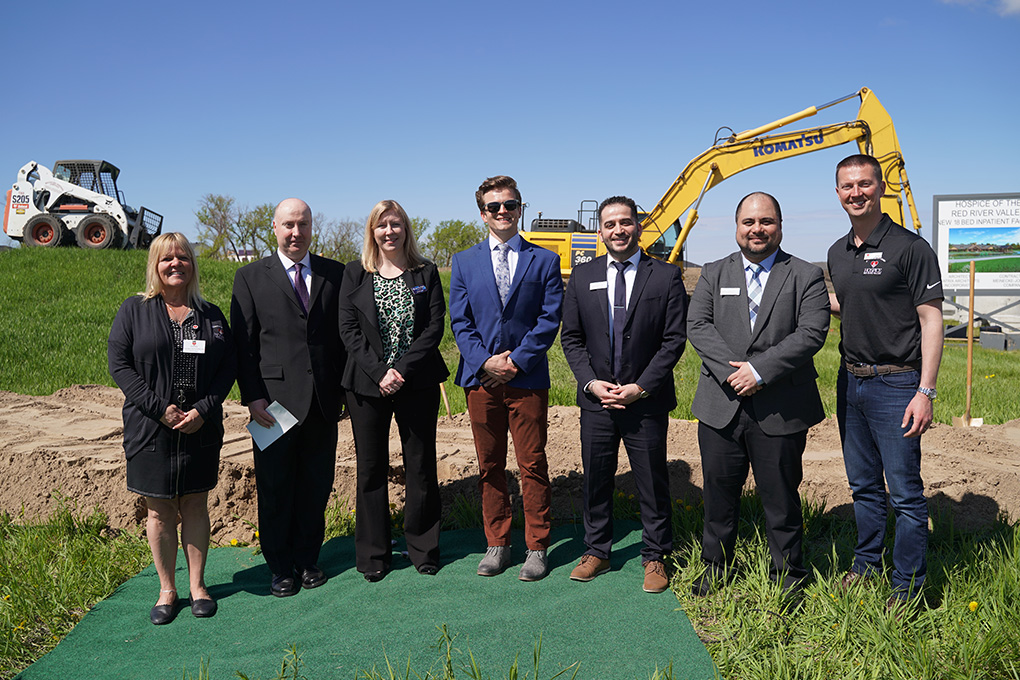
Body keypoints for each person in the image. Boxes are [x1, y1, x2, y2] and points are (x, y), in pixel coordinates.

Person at [687, 192, 830, 597]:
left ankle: (788, 576)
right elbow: (698, 326)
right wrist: (736, 374)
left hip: (781, 406)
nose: (757, 229)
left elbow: (812, 332)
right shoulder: (713, 273)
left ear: (780, 227)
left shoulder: (805, 275)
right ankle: (715, 567)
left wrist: (760, 371)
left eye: (766, 221)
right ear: (736, 227)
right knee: (718, 495)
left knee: (781, 497)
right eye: (748, 222)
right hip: (721, 406)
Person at [827, 154, 943, 611]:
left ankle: (907, 587)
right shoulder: (838, 252)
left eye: (864, 184)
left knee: (906, 494)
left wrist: (925, 390)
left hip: (897, 385)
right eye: (847, 186)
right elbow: (851, 303)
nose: (856, 192)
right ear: (837, 193)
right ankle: (865, 565)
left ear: (881, 188)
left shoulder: (910, 248)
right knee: (863, 486)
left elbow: (931, 321)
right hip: (850, 382)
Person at [560, 196, 688, 593]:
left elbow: (673, 340)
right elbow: (572, 338)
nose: (618, 230)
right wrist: (591, 384)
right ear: (600, 231)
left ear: (638, 226)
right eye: (610, 224)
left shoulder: (665, 276)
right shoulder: (582, 277)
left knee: (652, 479)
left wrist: (640, 387)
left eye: (626, 222)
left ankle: (655, 555)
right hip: (597, 400)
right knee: (596, 478)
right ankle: (597, 550)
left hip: (645, 401)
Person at [108, 232, 236, 625]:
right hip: (151, 429)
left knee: (196, 502)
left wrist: (202, 410)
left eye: (183, 257)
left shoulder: (210, 315)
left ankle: (198, 586)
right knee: (160, 511)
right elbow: (119, 365)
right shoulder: (135, 310)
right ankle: (168, 589)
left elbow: (227, 369)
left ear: (192, 265)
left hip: (200, 428)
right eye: (167, 259)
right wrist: (158, 408)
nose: (175, 264)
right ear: (155, 266)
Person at [449, 175, 563, 581]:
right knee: (489, 464)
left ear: (520, 208)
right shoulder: (463, 261)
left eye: (509, 205)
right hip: (481, 380)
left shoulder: (545, 260)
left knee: (532, 463)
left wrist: (515, 361)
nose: (502, 212)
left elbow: (549, 319)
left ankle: (536, 547)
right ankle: (497, 543)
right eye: (494, 207)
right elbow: (461, 323)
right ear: (483, 213)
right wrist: (485, 363)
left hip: (527, 378)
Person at [230, 198, 346, 597]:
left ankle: (307, 559)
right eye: (289, 225)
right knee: (276, 486)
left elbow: (342, 339)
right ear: (274, 228)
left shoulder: (335, 273)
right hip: (272, 405)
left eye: (304, 224)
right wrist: (252, 398)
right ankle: (279, 567)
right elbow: (243, 345)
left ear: (312, 227)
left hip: (323, 401)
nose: (296, 232)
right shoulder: (249, 277)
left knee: (316, 483)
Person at [338, 200, 448, 582]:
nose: (389, 231)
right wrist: (380, 371)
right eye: (382, 225)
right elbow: (348, 330)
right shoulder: (355, 273)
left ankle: (423, 549)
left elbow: (434, 327)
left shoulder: (425, 272)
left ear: (406, 230)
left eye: (396, 224)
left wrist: (400, 370)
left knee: (420, 465)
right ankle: (373, 555)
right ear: (372, 230)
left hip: (416, 381)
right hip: (367, 386)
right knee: (371, 469)